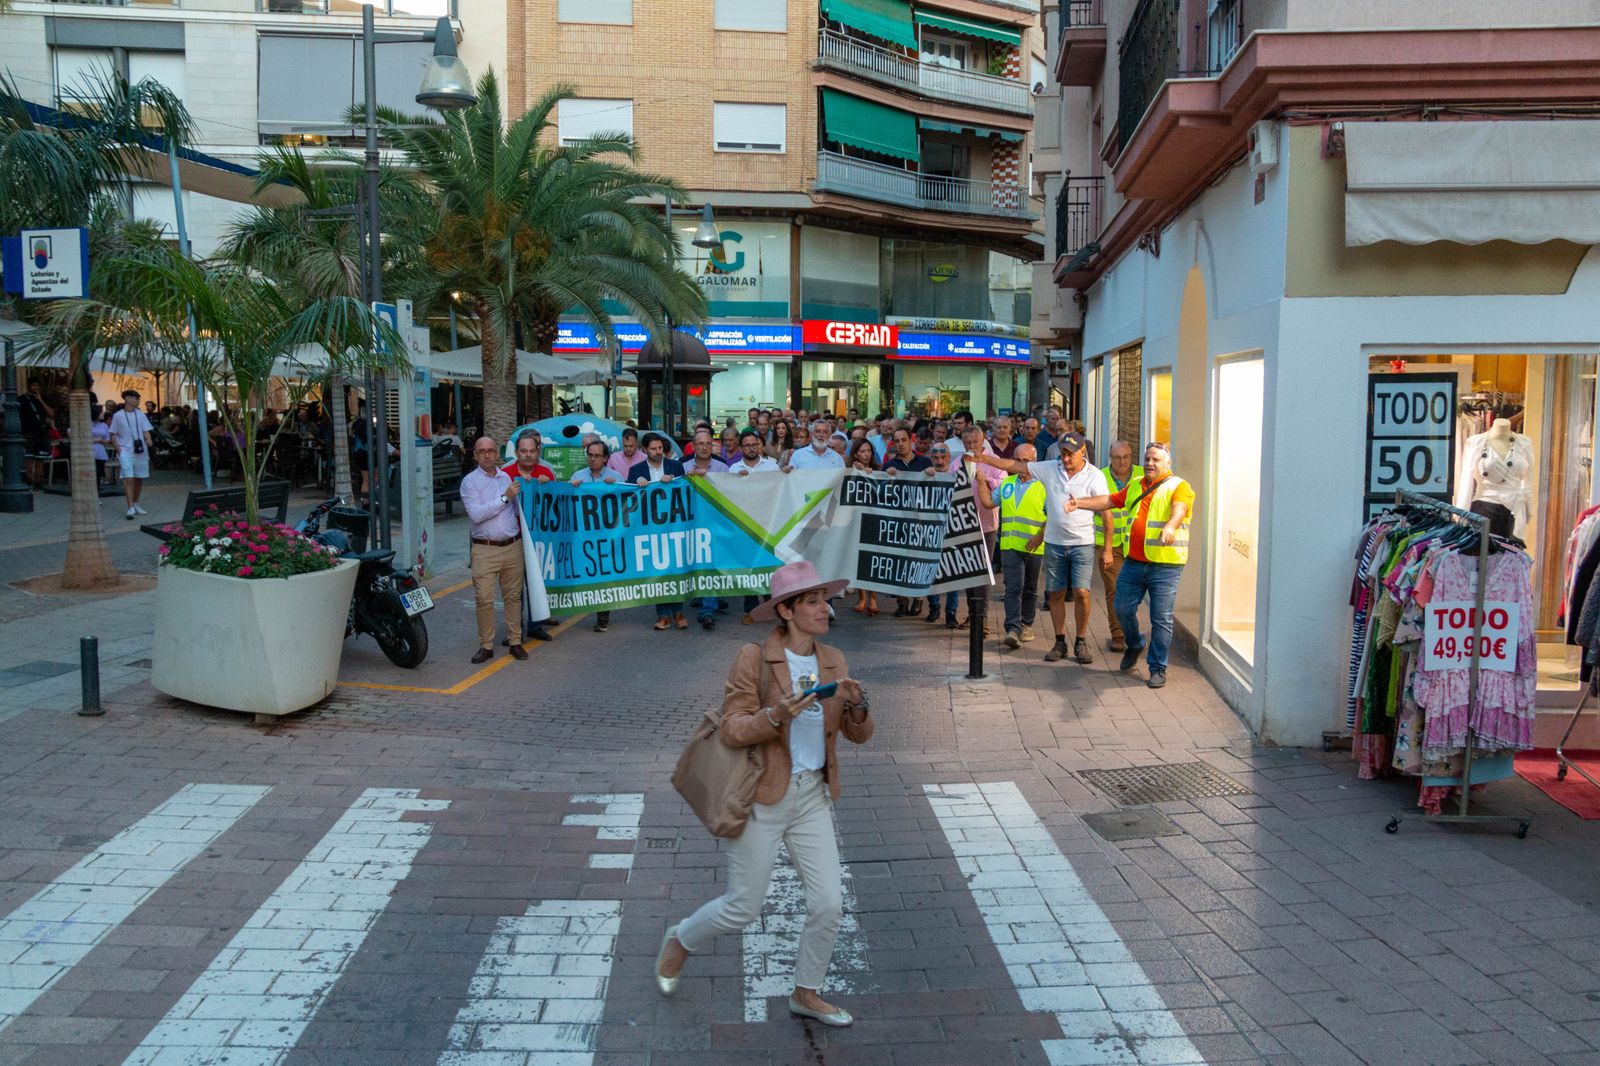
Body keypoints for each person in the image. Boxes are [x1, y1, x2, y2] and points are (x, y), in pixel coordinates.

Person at [655, 561, 873, 1029]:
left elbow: (858, 735)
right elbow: (733, 730)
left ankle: (806, 992)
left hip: (813, 794)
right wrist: (776, 716)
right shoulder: (753, 659)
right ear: (788, 611)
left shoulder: (833, 659)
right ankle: (682, 938)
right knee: (743, 907)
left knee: (829, 903)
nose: (824, 608)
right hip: (762, 795)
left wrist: (858, 705)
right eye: (812, 601)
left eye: (825, 599)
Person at [971, 430, 1107, 666]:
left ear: (1082, 452)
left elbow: (1106, 506)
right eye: (1062, 453)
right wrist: (985, 460)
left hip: (1079, 543)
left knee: (1081, 593)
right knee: (1050, 592)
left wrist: (1104, 546)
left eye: (1070, 454)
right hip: (1048, 544)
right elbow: (1011, 469)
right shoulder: (1047, 470)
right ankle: (1058, 640)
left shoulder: (1093, 476)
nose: (1065, 459)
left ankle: (1081, 640)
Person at [1065, 442, 1193, 689]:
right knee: (1122, 608)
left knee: (1161, 618)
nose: (1150, 463)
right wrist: (1079, 503)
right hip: (1134, 562)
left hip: (1165, 566)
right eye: (1147, 459)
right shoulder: (1136, 485)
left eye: (1156, 459)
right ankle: (1135, 644)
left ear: (1168, 463)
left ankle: (1157, 668)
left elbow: (1180, 508)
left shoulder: (1179, 486)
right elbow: (1109, 500)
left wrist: (1170, 526)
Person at [461, 437, 527, 663]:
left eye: (491, 451)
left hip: (512, 546)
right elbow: (477, 515)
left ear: (496, 454)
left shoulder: (506, 477)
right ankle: (486, 645)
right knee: (484, 598)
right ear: (475, 455)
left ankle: (515, 642)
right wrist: (503, 498)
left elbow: (518, 506)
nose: (487, 455)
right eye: (482, 451)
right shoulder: (470, 482)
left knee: (513, 597)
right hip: (485, 549)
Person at [976, 442, 1044, 648]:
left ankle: (1027, 623)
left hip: (1034, 546)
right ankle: (1013, 629)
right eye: (1018, 460)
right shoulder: (1008, 483)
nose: (1022, 465)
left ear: (1035, 462)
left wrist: (1040, 537)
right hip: (1009, 545)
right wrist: (981, 481)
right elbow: (989, 503)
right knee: (1013, 587)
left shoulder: (1044, 484)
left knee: (1030, 588)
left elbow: (1054, 515)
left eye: (1027, 461)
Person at [629, 435, 690, 630]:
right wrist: (636, 483)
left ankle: (679, 611)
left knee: (675, 568)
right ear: (645, 449)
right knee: (658, 570)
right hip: (650, 530)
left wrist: (673, 480)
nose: (658, 452)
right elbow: (626, 496)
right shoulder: (636, 471)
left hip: (674, 526)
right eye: (653, 448)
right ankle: (663, 615)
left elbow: (685, 488)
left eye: (660, 448)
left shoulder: (675, 466)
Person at [501, 430, 555, 643]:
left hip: (538, 538)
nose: (528, 455)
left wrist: (546, 486)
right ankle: (515, 631)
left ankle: (534, 626)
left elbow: (556, 505)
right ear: (516, 452)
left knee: (536, 582)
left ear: (538, 451)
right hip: (513, 538)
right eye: (523, 451)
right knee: (514, 588)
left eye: (532, 451)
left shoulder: (546, 472)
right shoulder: (505, 473)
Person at [1094, 441, 1143, 654]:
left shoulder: (1143, 475)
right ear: (1109, 457)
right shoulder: (1100, 476)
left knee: (1134, 591)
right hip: (1109, 542)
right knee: (1114, 589)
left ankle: (1130, 629)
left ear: (1131, 456)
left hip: (1137, 542)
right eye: (1116, 457)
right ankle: (1118, 634)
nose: (1121, 462)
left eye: (1125, 457)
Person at [923, 442, 964, 629]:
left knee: (952, 574)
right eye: (935, 458)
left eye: (943, 457)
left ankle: (951, 613)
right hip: (930, 533)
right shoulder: (924, 476)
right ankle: (934, 606)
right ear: (931, 458)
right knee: (930, 572)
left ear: (949, 457)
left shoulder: (958, 477)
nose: (939, 461)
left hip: (952, 531)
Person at [110, 389, 154, 519]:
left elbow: (146, 430)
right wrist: (119, 450)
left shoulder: (140, 414)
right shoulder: (118, 415)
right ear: (127, 399)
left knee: (139, 478)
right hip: (126, 451)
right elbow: (113, 434)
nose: (138, 400)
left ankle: (135, 503)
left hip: (140, 450)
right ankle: (130, 507)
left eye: (138, 398)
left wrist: (148, 439)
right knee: (129, 478)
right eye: (135, 398)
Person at [19, 379, 54, 489]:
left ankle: (38, 481)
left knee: (40, 458)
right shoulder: (22, 399)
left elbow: (52, 413)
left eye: (37, 385)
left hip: (41, 432)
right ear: (29, 386)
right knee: (29, 458)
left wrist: (41, 400)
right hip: (28, 431)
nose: (36, 388)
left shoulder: (44, 398)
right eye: (34, 385)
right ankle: (29, 479)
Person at [91, 403, 115, 486]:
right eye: (101, 412)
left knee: (99, 471)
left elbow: (108, 439)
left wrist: (100, 440)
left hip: (100, 451)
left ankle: (97, 486)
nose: (103, 414)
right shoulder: (86, 424)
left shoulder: (104, 425)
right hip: (88, 450)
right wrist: (93, 440)